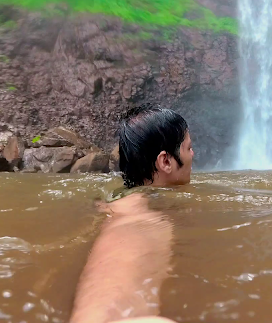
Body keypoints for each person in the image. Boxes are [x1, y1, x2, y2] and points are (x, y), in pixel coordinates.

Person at [70, 104, 194, 323]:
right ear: (166, 161)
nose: (193, 155)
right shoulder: (140, 215)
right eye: (189, 148)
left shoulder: (114, 203)